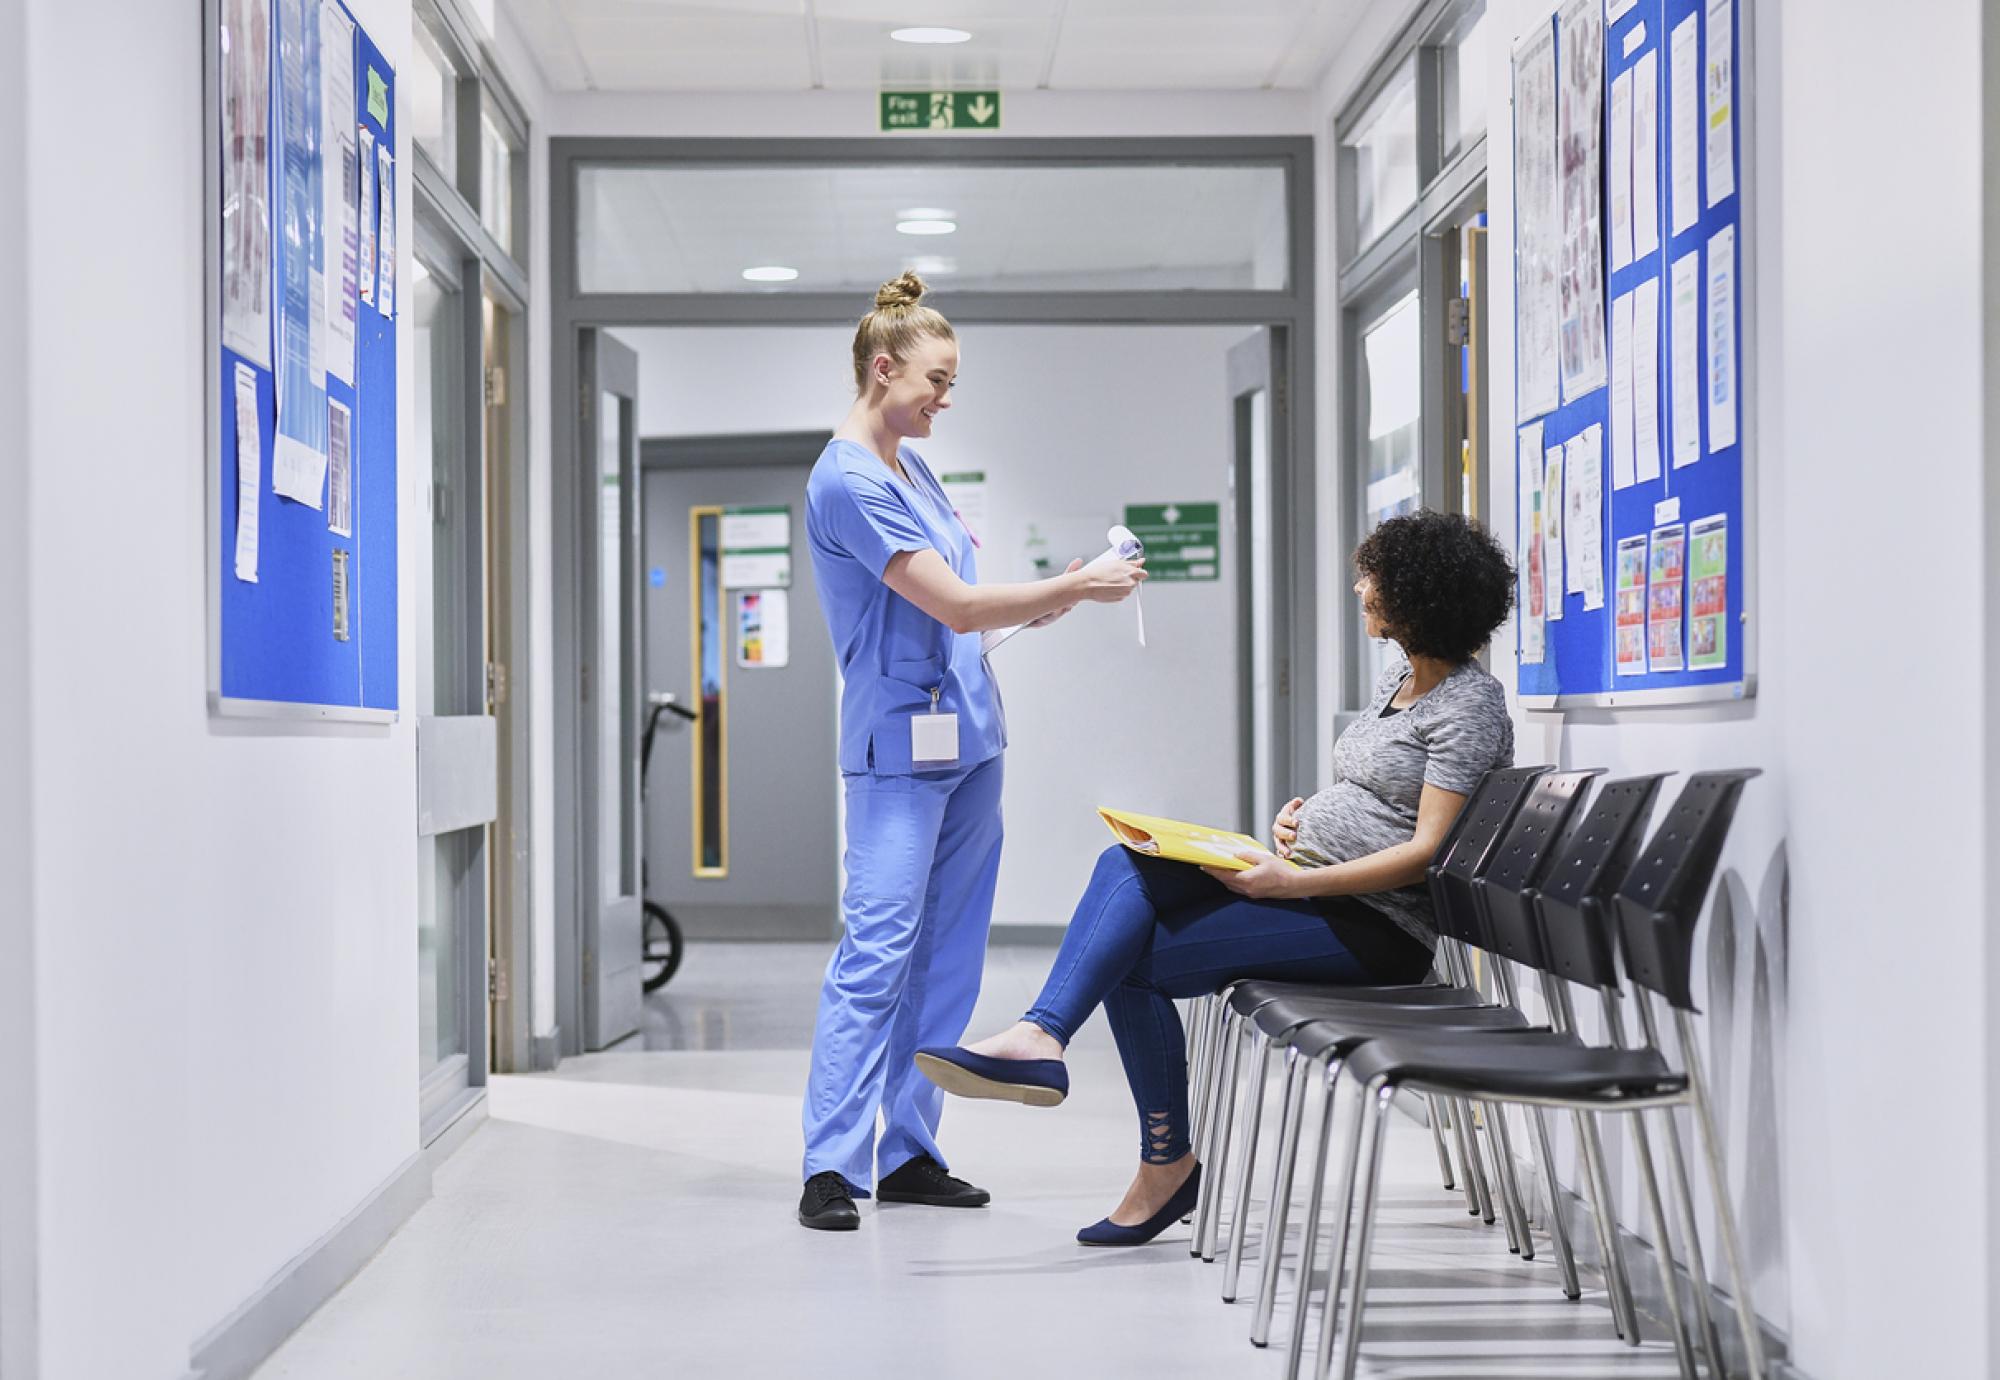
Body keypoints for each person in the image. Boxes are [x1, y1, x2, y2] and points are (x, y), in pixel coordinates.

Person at [915, 510, 1515, 1245]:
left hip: (1376, 927)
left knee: (1130, 965)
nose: (1362, 587)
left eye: (1375, 578)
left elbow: (1428, 850)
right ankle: (1046, 1043)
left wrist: (1291, 882)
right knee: (1127, 859)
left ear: (1421, 598)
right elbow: (1376, 792)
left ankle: (1153, 1155)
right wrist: (1305, 821)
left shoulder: (1470, 704)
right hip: (1316, 886)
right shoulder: (1401, 678)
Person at [797, 272, 1149, 1231]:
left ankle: (909, 1150)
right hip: (897, 757)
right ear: (883, 368)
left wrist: (1057, 588)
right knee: (877, 952)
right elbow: (952, 602)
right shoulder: (850, 479)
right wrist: (1074, 591)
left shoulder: (913, 466)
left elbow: (959, 610)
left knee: (948, 957)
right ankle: (830, 1164)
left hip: (969, 740)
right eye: (936, 382)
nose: (945, 400)